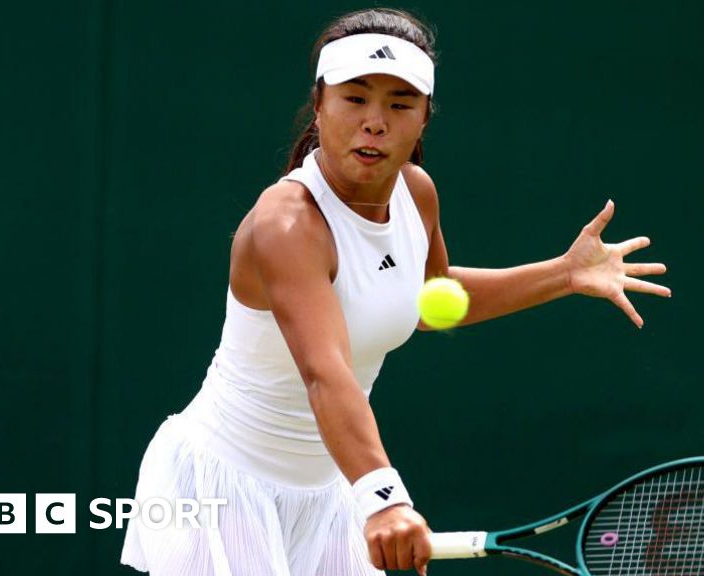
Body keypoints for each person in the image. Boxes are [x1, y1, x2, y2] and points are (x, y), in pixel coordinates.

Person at [120, 7, 670, 576]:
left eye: (399, 104)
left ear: (425, 117)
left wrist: (563, 273)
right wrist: (384, 498)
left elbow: (429, 300)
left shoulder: (416, 193)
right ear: (319, 105)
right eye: (355, 99)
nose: (375, 122)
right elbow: (324, 371)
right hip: (226, 487)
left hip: (330, 486)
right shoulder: (286, 225)